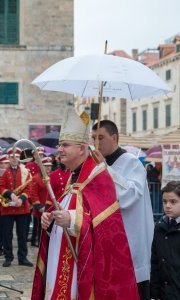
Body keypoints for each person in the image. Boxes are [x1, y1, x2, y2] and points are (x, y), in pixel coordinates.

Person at [32, 108, 138, 300]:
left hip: (80, 265)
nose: (59, 149)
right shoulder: (72, 176)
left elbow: (106, 229)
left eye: (65, 145)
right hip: (60, 256)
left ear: (82, 148)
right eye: (59, 145)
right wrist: (50, 220)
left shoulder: (98, 176)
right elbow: (65, 209)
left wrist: (72, 220)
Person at [92, 120, 154, 300]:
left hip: (130, 237)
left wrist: (105, 168)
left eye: (101, 137)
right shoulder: (96, 165)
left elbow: (129, 196)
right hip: (106, 239)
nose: (96, 143)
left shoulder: (132, 163)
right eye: (93, 138)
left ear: (114, 137)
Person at [0, 147, 33, 267]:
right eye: (12, 157)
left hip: (22, 208)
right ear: (8, 158)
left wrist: (21, 198)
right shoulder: (3, 172)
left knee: (22, 234)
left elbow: (29, 189)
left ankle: (22, 257)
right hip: (7, 207)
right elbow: (1, 187)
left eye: (17, 157)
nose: (14, 159)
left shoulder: (25, 172)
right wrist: (11, 194)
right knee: (7, 234)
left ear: (19, 159)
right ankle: (8, 257)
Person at [150, 181, 180, 300]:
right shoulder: (159, 227)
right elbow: (155, 262)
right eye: (164, 201)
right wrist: (154, 294)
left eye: (173, 202)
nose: (167, 205)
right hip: (163, 294)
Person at [30, 156, 52, 247]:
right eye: (46, 166)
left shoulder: (52, 176)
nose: (48, 167)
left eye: (49, 166)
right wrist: (39, 207)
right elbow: (33, 194)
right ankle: (39, 244)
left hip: (50, 207)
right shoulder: (36, 178)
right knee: (39, 228)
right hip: (40, 208)